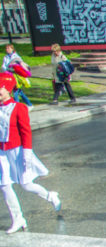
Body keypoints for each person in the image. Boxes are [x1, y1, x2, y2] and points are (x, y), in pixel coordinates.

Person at [0, 72, 61, 234]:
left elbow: (26, 132)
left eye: (0, 89)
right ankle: (18, 218)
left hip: (18, 151)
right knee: (5, 186)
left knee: (26, 185)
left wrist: (27, 153)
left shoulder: (19, 108)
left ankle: (50, 196)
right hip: (2, 153)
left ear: (8, 89)